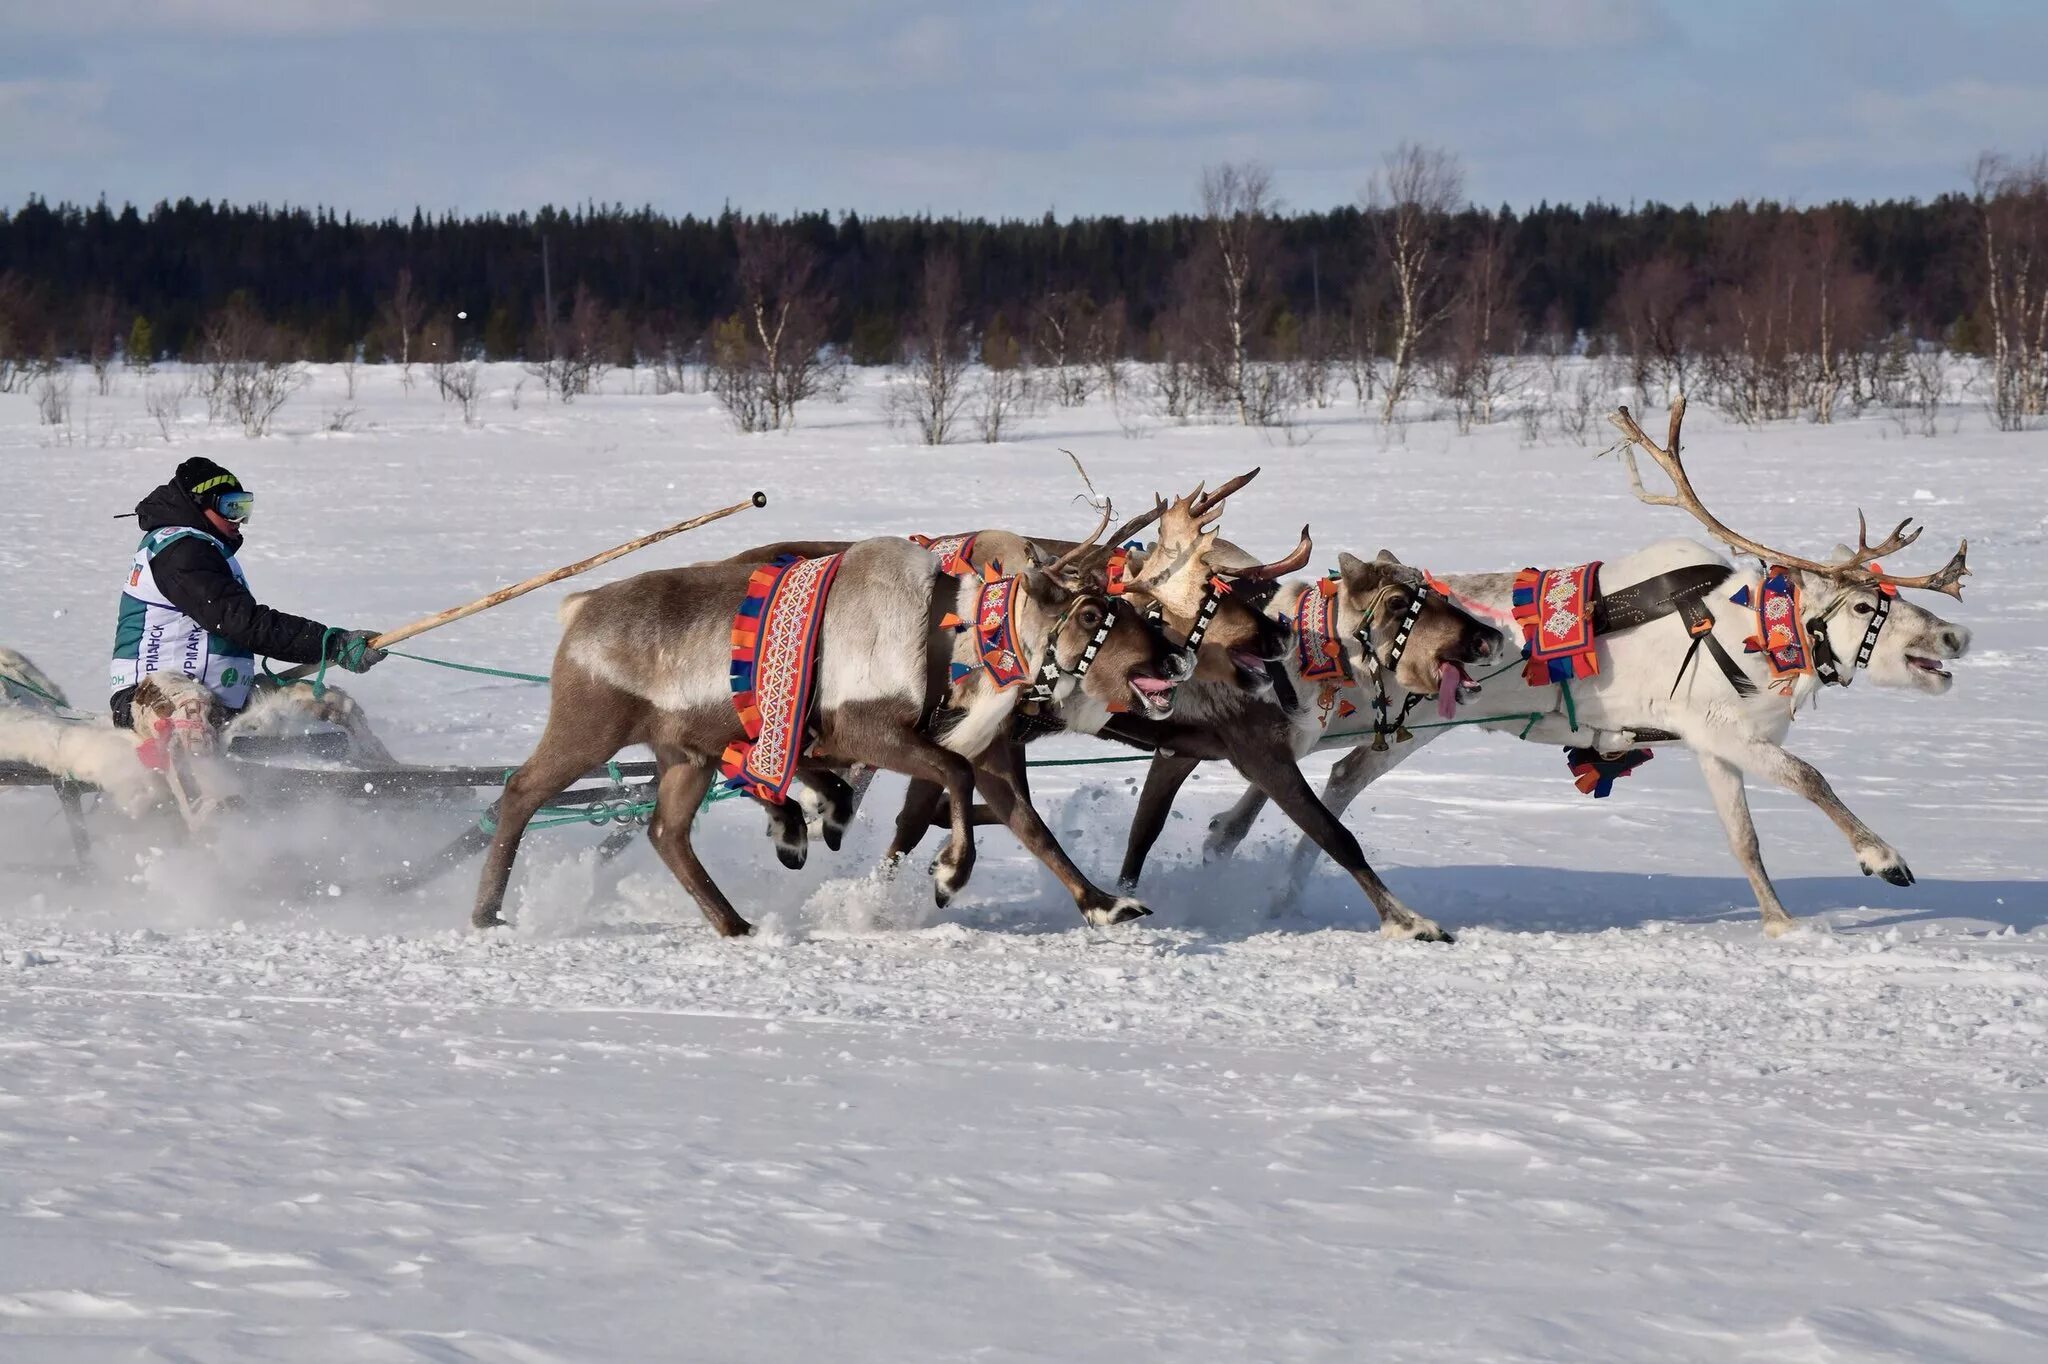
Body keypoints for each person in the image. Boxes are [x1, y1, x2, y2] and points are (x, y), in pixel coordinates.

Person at [110, 457, 387, 731]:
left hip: (222, 701)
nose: (240, 519)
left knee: (333, 706)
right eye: (230, 507)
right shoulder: (181, 551)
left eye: (244, 507)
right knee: (192, 712)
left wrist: (333, 645)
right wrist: (330, 643)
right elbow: (241, 622)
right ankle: (172, 772)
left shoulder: (205, 548)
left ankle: (380, 772)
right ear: (199, 504)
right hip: (150, 696)